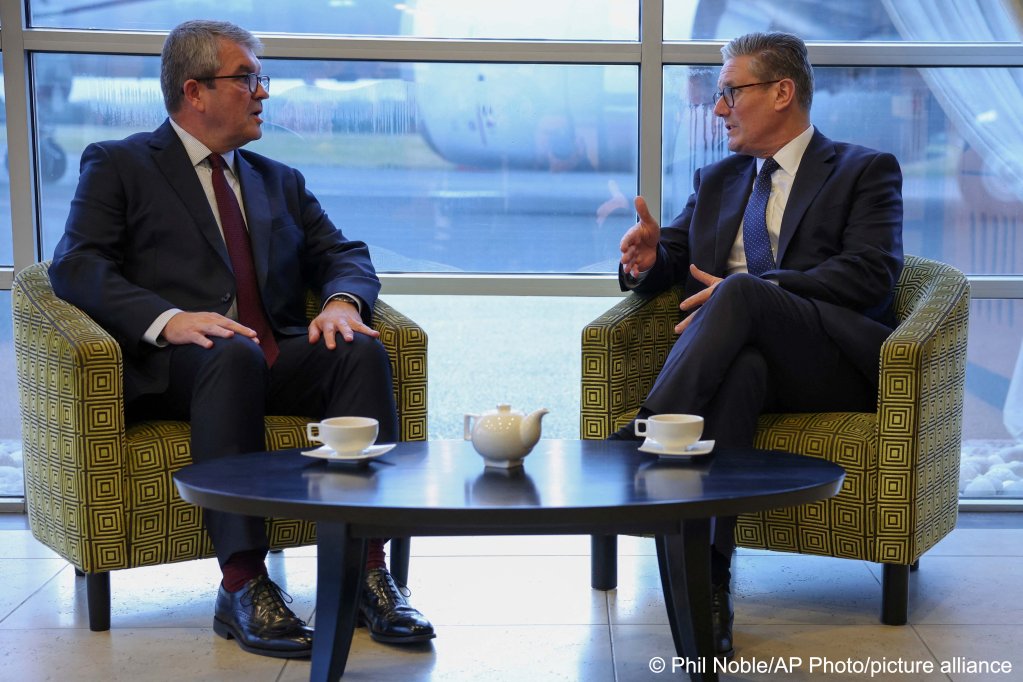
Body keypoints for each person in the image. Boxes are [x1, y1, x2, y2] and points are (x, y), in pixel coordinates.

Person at [49, 20, 434, 659]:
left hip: (270, 353)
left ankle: (368, 570)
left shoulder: (276, 179)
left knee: (360, 346)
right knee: (229, 352)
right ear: (195, 91)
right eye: (248, 77)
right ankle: (243, 583)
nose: (263, 93)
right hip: (180, 367)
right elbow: (76, 265)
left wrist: (341, 302)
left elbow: (345, 252)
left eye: (261, 78)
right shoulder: (119, 164)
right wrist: (166, 318)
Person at [614, 31, 903, 658]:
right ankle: (711, 585)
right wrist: (645, 261)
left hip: (828, 362)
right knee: (739, 368)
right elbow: (679, 259)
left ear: (781, 92)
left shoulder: (864, 170)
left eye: (729, 92)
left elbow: (871, 274)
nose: (717, 109)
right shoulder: (718, 179)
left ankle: (643, 432)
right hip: (741, 362)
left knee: (740, 293)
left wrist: (757, 291)